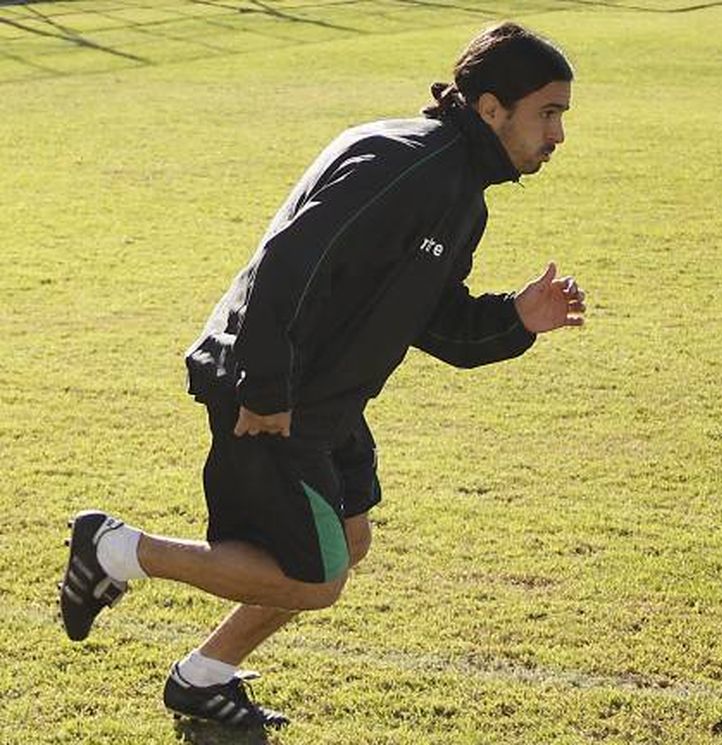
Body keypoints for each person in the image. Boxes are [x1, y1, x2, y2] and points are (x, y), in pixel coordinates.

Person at [58, 21, 584, 729]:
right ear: (492, 108)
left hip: (328, 399)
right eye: (548, 113)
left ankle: (202, 675)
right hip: (272, 389)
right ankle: (113, 548)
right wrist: (267, 389)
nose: (556, 135)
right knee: (314, 576)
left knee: (349, 539)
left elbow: (433, 318)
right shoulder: (407, 164)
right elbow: (289, 260)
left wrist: (517, 318)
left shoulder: (461, 192)